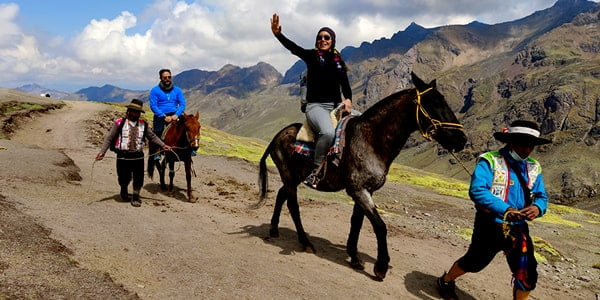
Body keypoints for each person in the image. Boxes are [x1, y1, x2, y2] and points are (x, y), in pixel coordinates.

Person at [437, 120, 551, 300]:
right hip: (489, 225)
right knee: (474, 261)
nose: (526, 149)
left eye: (531, 145)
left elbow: (541, 196)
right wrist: (505, 209)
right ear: (511, 141)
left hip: (518, 228)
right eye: (522, 143)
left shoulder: (534, 167)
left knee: (527, 271)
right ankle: (446, 280)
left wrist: (538, 208)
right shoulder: (490, 161)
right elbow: (477, 190)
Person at [271, 13, 353, 188]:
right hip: (316, 107)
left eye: (326, 37)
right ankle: (315, 172)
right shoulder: (312, 56)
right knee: (328, 133)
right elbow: (293, 48)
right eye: (320, 37)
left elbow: (345, 86)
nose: (322, 40)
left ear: (332, 41)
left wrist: (348, 100)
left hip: (335, 107)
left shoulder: (339, 62)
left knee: (362, 125)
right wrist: (278, 35)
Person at [96, 99, 171, 207]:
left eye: (138, 112)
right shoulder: (119, 123)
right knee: (123, 176)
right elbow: (109, 138)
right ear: (129, 111)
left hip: (138, 156)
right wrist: (102, 152)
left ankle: (136, 196)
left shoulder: (143, 124)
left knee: (138, 177)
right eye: (134, 111)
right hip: (123, 155)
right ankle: (123, 189)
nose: (136, 113)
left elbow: (152, 137)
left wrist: (163, 145)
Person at [149, 68, 186, 159]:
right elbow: (153, 106)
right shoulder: (155, 90)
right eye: (165, 77)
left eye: (169, 77)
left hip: (175, 113)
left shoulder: (177, 90)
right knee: (158, 131)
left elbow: (182, 104)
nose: (167, 79)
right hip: (161, 114)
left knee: (188, 126)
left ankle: (190, 148)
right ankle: (157, 151)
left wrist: (176, 115)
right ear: (160, 78)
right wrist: (163, 116)